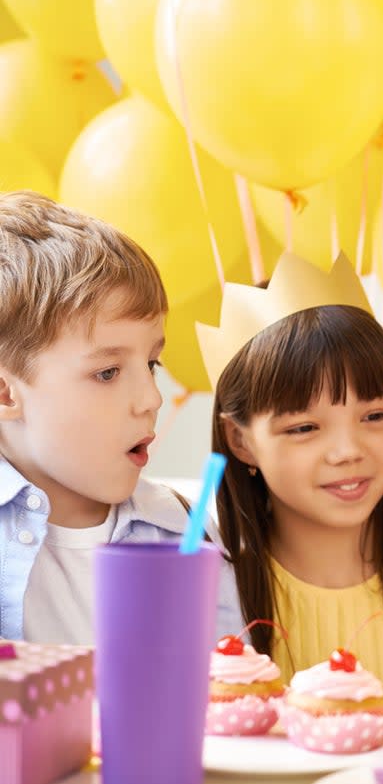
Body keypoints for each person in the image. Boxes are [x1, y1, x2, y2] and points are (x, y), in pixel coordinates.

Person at [205, 253, 383, 701]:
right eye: (304, 428)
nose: (349, 451)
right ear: (240, 441)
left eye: (374, 415)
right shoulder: (216, 591)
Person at [0, 190, 239, 643]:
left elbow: (229, 691)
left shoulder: (182, 531)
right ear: (6, 391)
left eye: (151, 364)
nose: (151, 398)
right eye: (107, 372)